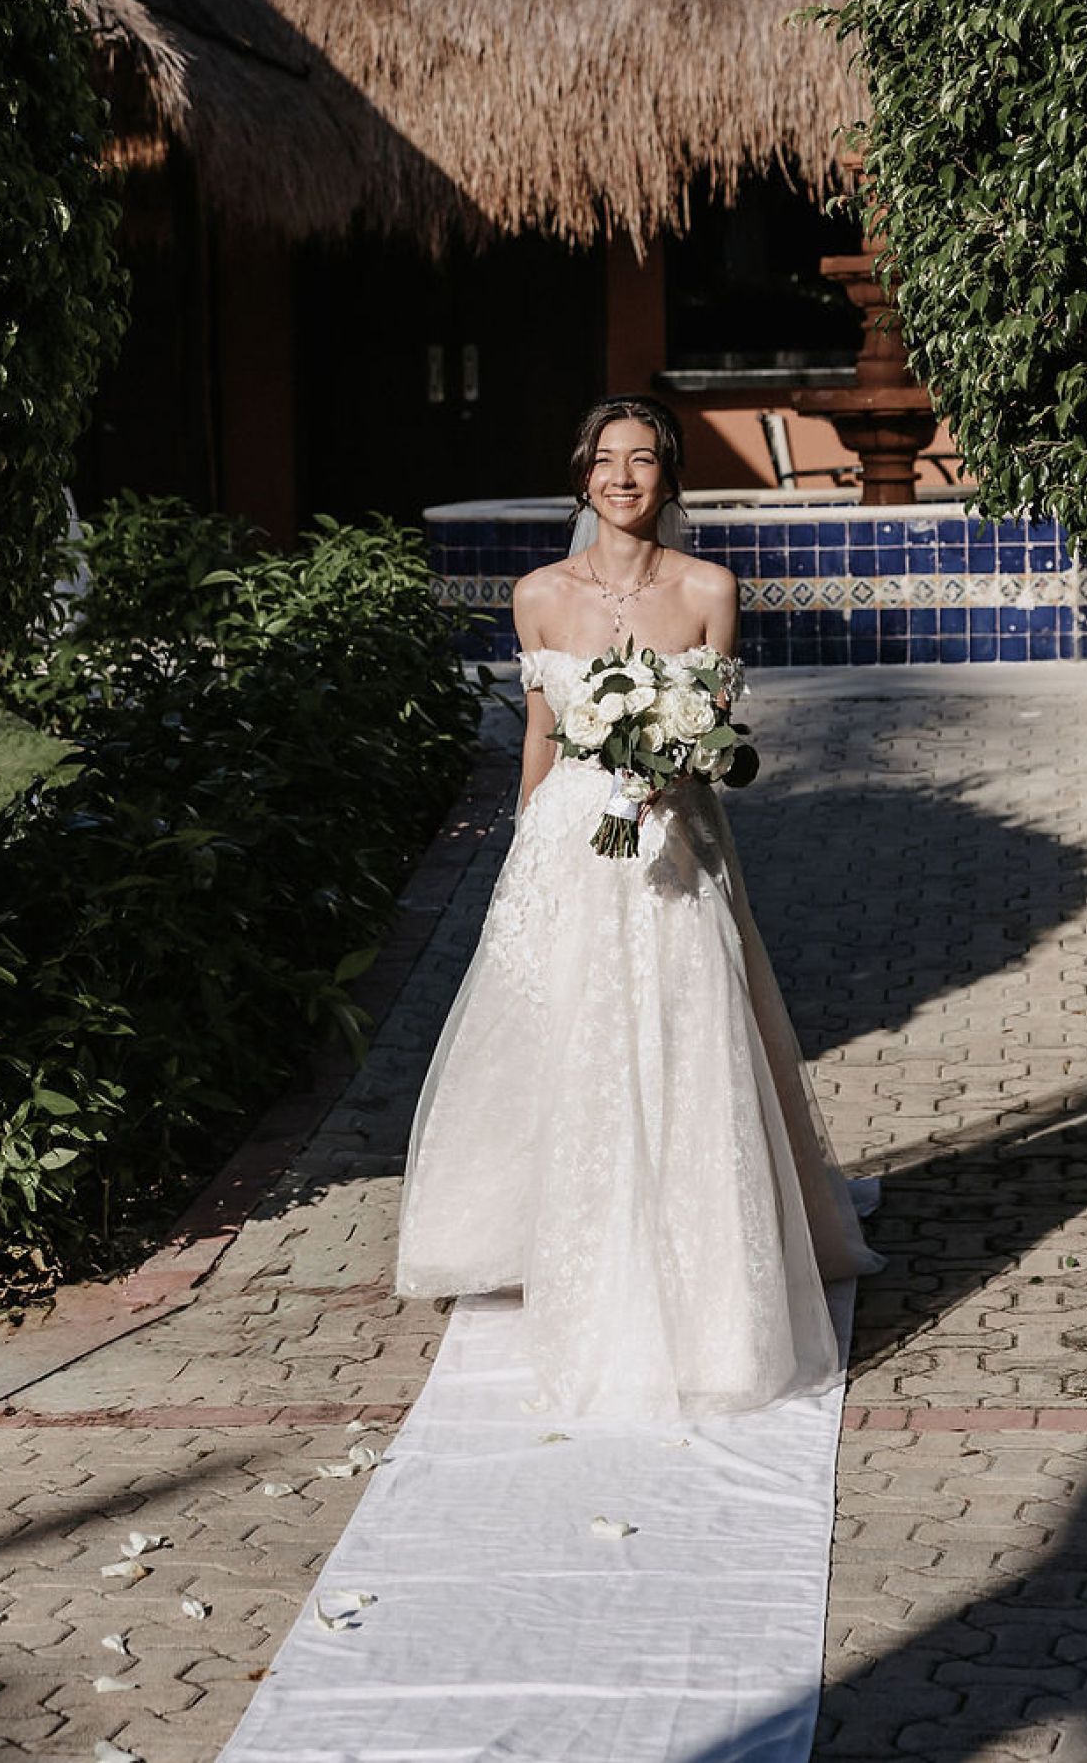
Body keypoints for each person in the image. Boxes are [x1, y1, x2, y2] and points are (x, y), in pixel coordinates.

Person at [395, 393, 879, 1420]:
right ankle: (553, 1227)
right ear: (582, 476)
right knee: (561, 1026)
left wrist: (670, 766)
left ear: (671, 478)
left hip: (672, 836)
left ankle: (700, 1254)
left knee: (685, 1025)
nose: (624, 478)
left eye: (646, 460)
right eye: (607, 460)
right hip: (570, 837)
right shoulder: (537, 595)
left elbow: (716, 730)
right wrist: (523, 843)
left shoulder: (710, 588)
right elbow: (538, 729)